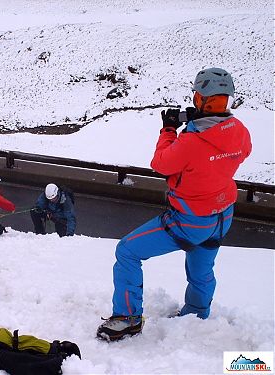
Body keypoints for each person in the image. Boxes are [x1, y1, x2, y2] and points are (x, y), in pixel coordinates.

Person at [96, 67, 252, 342]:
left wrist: (169, 130)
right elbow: (225, 152)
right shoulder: (240, 131)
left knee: (127, 252)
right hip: (222, 216)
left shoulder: (191, 142)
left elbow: (161, 163)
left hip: (189, 220)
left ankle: (127, 318)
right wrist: (201, 122)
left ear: (201, 99)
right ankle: (196, 315)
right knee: (202, 269)